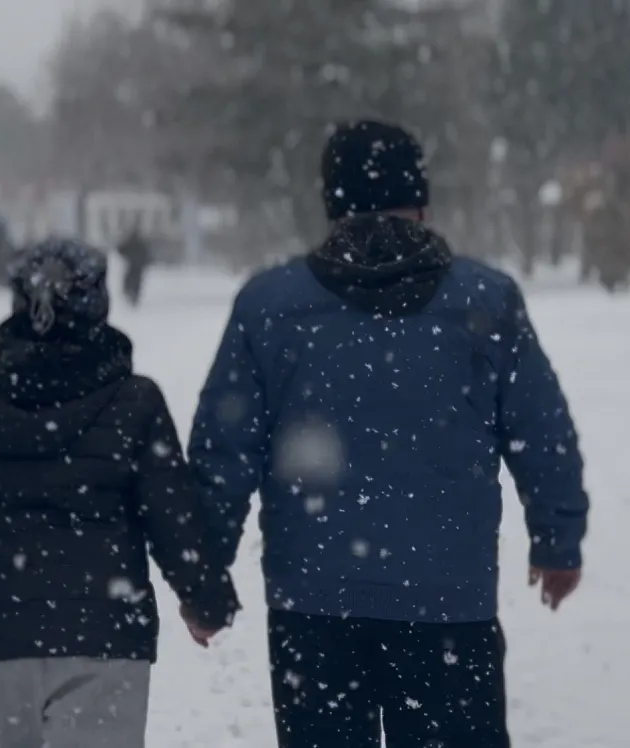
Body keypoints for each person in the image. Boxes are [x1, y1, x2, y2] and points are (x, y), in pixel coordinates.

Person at [186, 120, 590, 748]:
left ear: (330, 205)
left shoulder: (270, 307)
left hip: (314, 603)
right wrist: (558, 536)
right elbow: (541, 429)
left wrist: (204, 575)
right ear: (423, 204)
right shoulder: (484, 301)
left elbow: (224, 452)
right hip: (448, 603)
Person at [0, 237, 240, 748]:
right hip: (107, 636)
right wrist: (206, 600)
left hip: (0, 638)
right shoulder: (135, 404)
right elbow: (172, 514)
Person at [116, 223, 151, 307]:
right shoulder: (141, 242)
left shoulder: (130, 241)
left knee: (129, 281)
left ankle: (130, 294)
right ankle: (134, 296)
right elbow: (147, 254)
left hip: (132, 266)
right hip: (138, 267)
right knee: (136, 282)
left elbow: (120, 249)